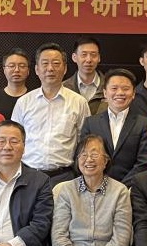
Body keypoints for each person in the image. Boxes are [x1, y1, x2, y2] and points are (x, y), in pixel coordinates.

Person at [12, 43, 91, 185]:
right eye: (45, 63)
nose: (50, 68)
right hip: (29, 175)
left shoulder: (79, 102)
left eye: (56, 63)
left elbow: (84, 142)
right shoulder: (23, 102)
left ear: (65, 69)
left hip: (65, 176)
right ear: (37, 69)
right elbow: (15, 140)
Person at [79, 68, 147, 187]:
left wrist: (120, 188)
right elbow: (84, 157)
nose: (120, 93)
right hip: (96, 187)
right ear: (105, 93)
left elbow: (143, 163)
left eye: (125, 89)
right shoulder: (91, 123)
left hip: (130, 189)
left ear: (133, 93)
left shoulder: (144, 124)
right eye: (114, 88)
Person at [64, 37, 105, 114]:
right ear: (74, 57)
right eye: (84, 55)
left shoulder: (110, 87)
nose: (88, 60)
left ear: (99, 58)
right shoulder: (64, 88)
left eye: (93, 55)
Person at [0, 48, 30, 121]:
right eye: (11, 66)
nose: (16, 70)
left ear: (28, 71)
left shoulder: (34, 97)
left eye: (22, 66)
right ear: (4, 70)